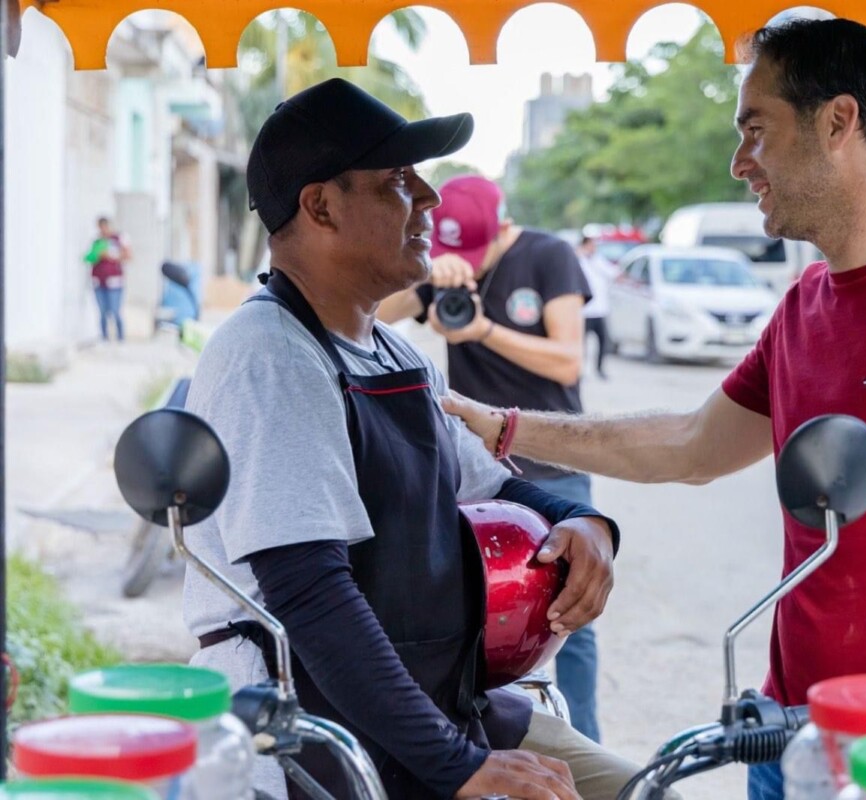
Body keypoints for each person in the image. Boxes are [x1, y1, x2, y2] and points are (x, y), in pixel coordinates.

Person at [441, 18, 866, 800]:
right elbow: (689, 444)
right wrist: (500, 426)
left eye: (755, 131)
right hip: (790, 734)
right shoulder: (807, 301)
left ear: (837, 122)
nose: (738, 163)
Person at [180, 78, 642, 800]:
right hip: (310, 727)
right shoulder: (268, 356)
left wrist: (582, 521)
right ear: (320, 206)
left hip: (440, 701)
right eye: (398, 180)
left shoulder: (396, 352)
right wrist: (460, 766)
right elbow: (311, 597)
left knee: (643, 788)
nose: (429, 199)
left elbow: (492, 485)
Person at [378, 176, 605, 744]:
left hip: (552, 466)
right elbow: (371, 316)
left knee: (570, 614)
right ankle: (493, 730)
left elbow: (567, 360)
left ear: (503, 226)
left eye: (475, 251)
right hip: (477, 478)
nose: (469, 264)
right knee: (484, 613)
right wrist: (427, 278)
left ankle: (583, 739)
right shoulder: (444, 268)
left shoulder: (549, 256)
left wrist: (483, 330)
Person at [577, 235, 618, 379]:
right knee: (581, 343)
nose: (593, 248)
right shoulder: (578, 260)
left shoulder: (599, 260)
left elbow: (614, 273)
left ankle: (599, 368)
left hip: (600, 309)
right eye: (591, 245)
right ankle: (580, 369)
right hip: (584, 311)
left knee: (603, 341)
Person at [83, 216, 129, 342]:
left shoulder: (118, 239)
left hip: (114, 282)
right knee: (102, 312)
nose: (103, 230)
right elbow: (90, 258)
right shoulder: (97, 242)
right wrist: (94, 256)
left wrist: (110, 255)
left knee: (115, 311)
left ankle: (120, 337)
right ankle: (104, 338)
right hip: (99, 281)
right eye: (100, 227)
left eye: (105, 227)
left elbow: (128, 255)